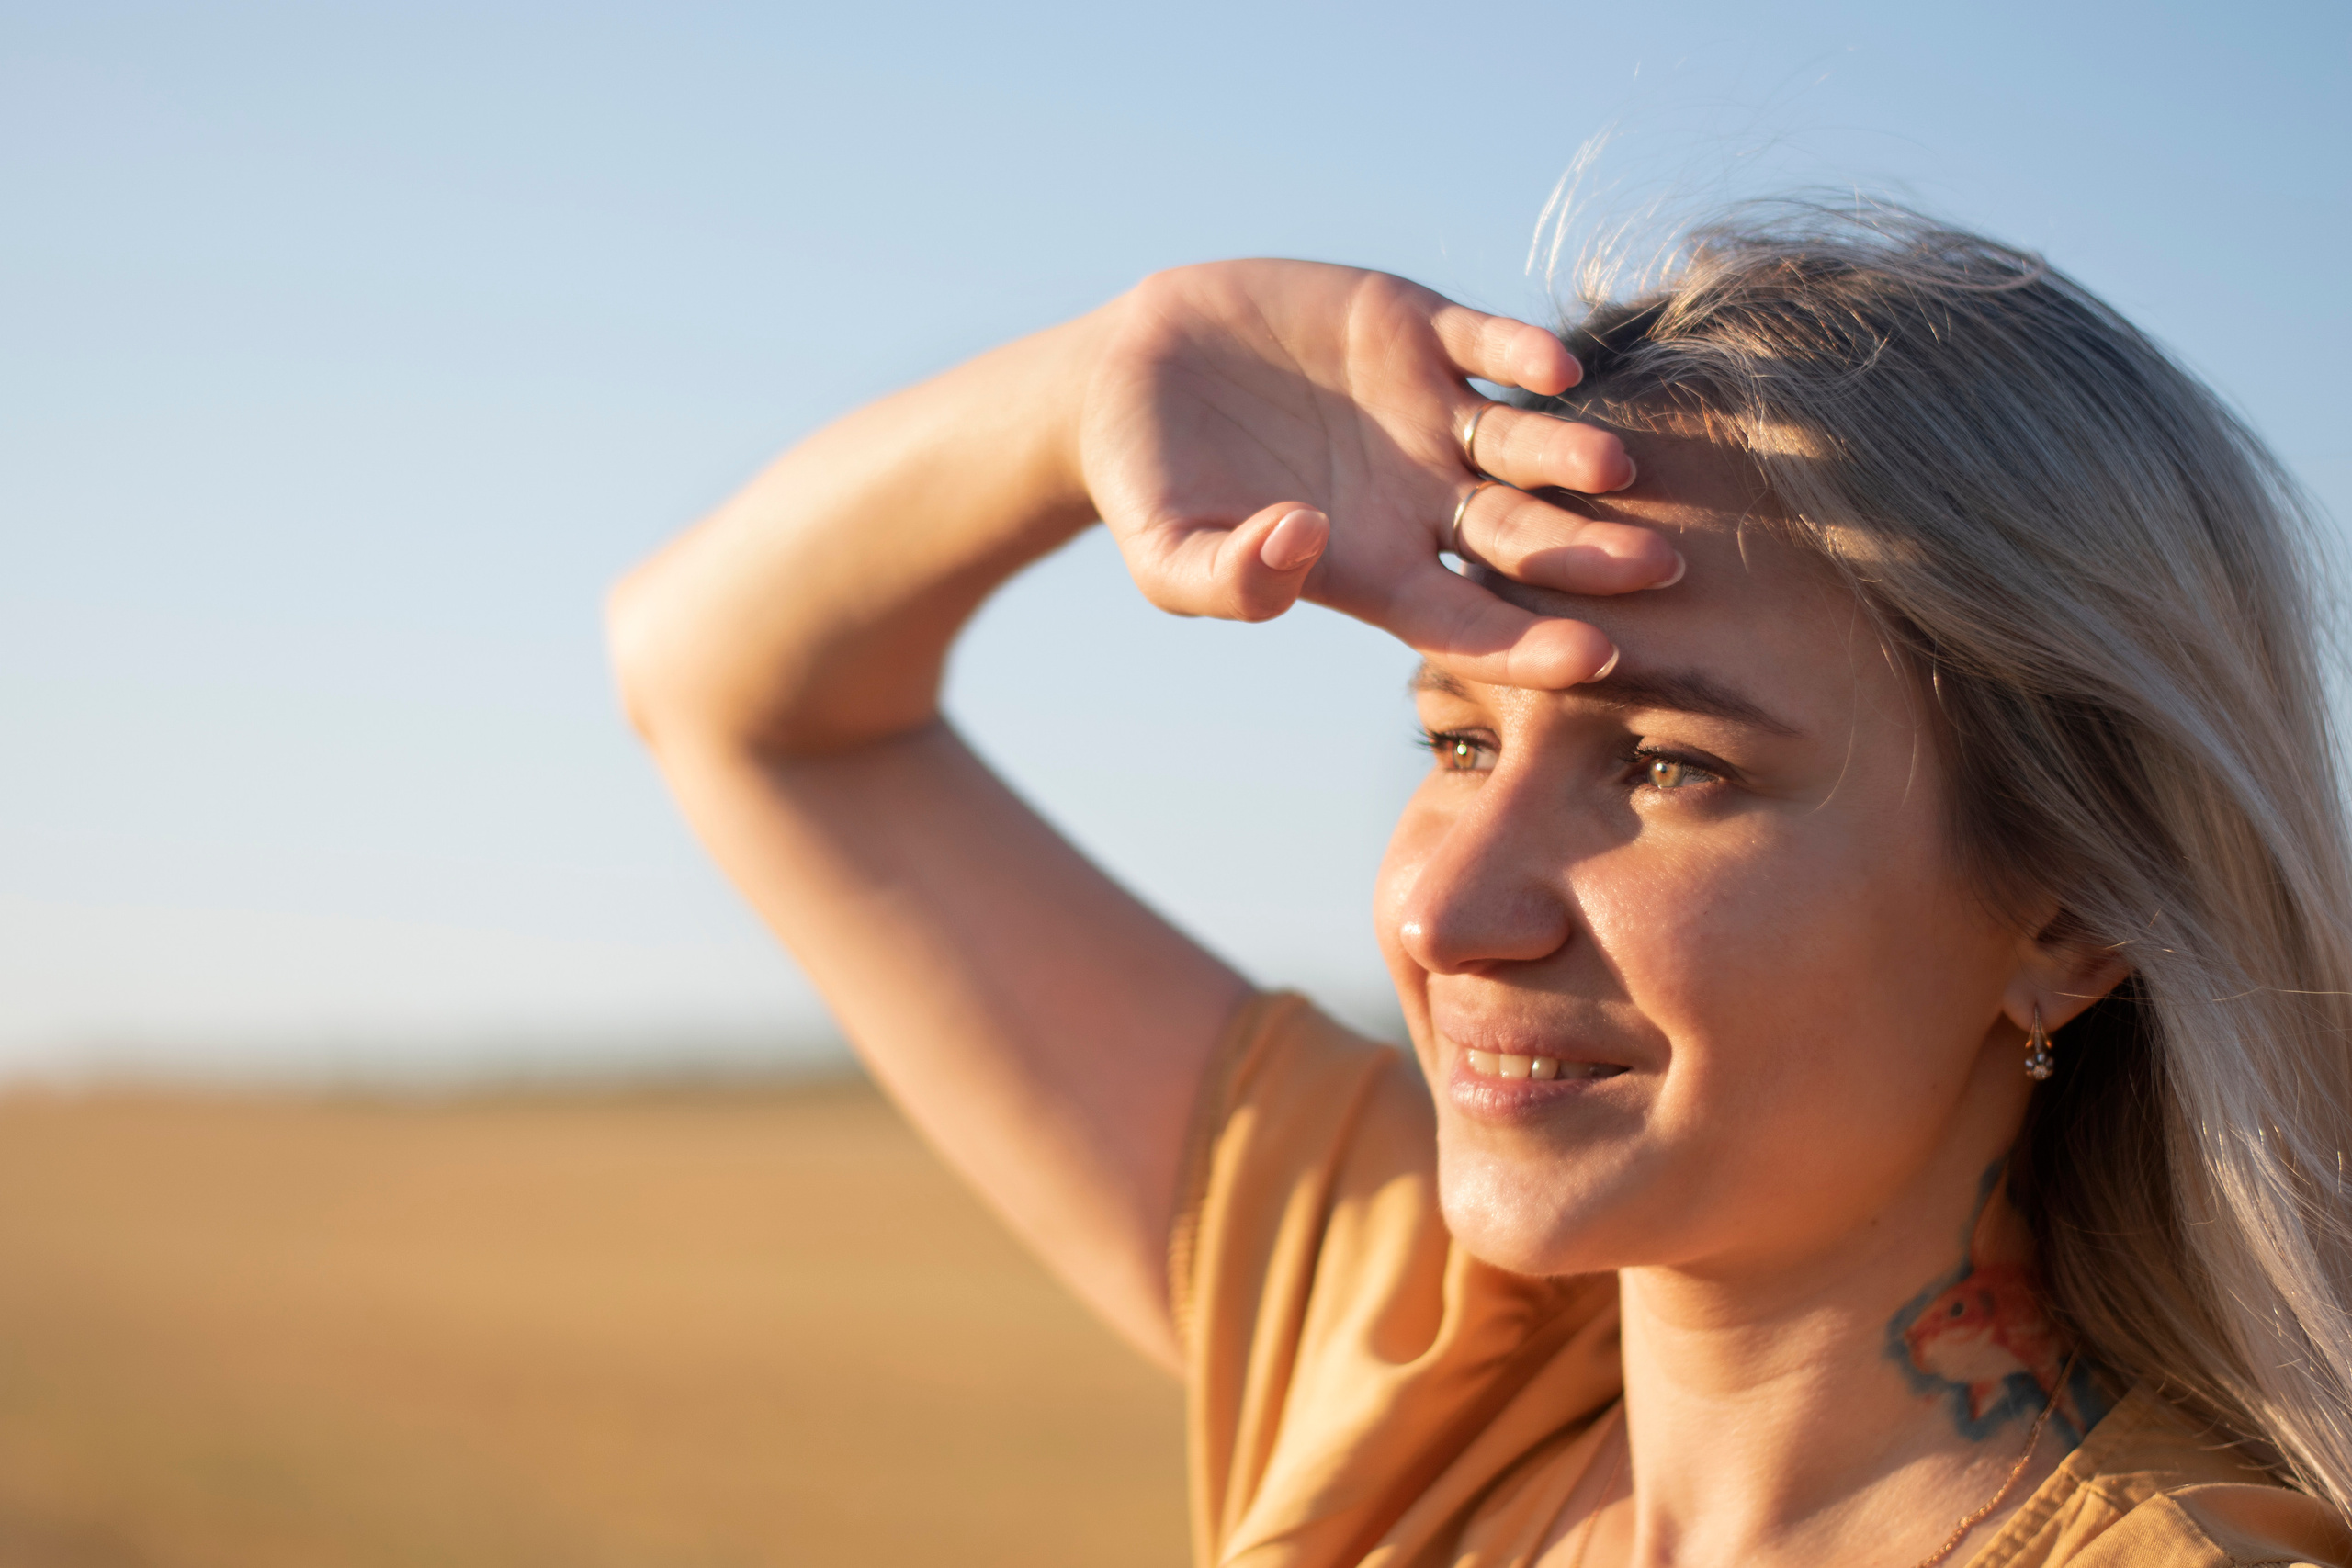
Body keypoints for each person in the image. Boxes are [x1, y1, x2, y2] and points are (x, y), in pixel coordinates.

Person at [605, 201, 2352, 1566]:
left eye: (1670, 766)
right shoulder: (1417, 1357)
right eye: (1457, 742)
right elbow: (721, 680)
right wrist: (1100, 379)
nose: (1445, 918)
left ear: (2068, 915)